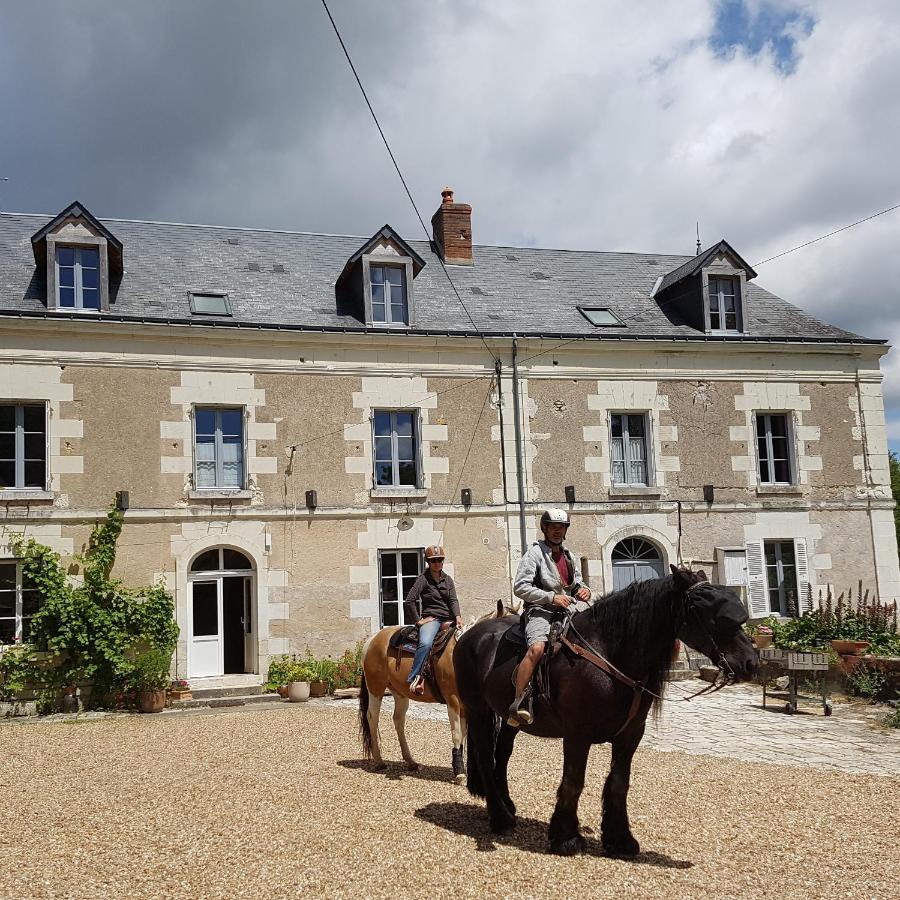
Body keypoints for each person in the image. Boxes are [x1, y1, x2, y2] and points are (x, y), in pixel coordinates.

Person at [508, 508, 593, 725]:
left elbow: (575, 585)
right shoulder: (534, 554)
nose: (557, 531)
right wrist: (550, 597)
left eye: (561, 528)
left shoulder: (569, 556)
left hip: (568, 610)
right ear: (545, 528)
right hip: (540, 611)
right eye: (553, 527)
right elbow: (520, 587)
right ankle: (520, 701)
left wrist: (584, 591)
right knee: (537, 649)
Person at [403, 545, 463, 695]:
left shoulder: (447, 580)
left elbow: (453, 600)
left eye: (439, 560)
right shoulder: (423, 579)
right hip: (433, 619)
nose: (437, 563)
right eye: (433, 560)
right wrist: (419, 621)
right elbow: (409, 600)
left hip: (449, 619)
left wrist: (458, 616)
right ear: (428, 562)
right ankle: (415, 676)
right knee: (426, 643)